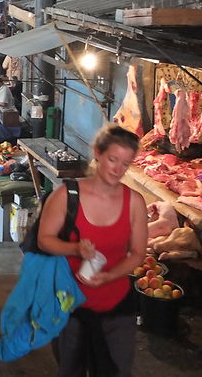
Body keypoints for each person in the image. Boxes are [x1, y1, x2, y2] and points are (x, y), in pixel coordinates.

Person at [37, 124, 147, 377]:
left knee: (115, 371)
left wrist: (109, 276)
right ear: (98, 153)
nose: (118, 170)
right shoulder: (66, 195)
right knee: (70, 370)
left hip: (117, 308)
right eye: (113, 159)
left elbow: (138, 253)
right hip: (70, 307)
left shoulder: (135, 202)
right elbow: (44, 240)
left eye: (125, 164)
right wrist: (74, 248)